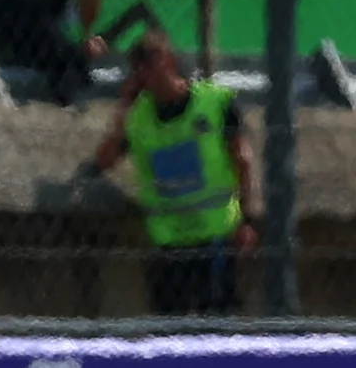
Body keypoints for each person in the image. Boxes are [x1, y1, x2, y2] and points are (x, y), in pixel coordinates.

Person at [89, 29, 257, 317]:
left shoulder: (213, 103)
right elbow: (104, 159)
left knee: (219, 326)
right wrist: (123, 109)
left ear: (167, 62)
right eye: (138, 70)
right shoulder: (138, 118)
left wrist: (246, 219)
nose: (144, 77)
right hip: (169, 244)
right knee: (169, 332)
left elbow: (242, 160)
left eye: (149, 66)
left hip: (213, 236)